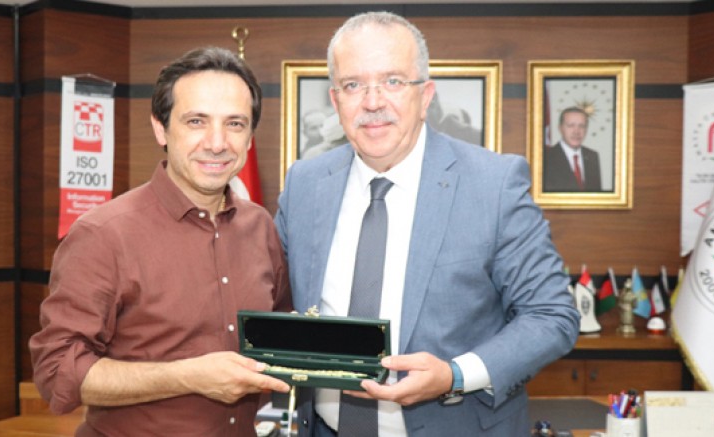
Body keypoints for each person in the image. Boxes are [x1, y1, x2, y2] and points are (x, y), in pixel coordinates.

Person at [275, 12, 579, 437]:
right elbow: (274, 303)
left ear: (426, 95)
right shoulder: (304, 185)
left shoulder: (493, 184)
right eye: (353, 85)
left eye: (393, 81)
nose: (373, 101)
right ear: (335, 99)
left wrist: (455, 375)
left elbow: (551, 315)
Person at [29, 46, 292, 437]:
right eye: (196, 121)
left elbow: (283, 339)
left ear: (250, 136)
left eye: (235, 124)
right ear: (160, 128)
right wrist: (188, 376)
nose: (217, 142)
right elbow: (57, 372)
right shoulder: (103, 235)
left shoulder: (261, 227)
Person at [543, 107, 603, 192]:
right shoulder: (546, 157)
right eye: (571, 125)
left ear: (586, 129)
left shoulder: (592, 156)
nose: (576, 132)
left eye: (581, 126)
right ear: (560, 128)